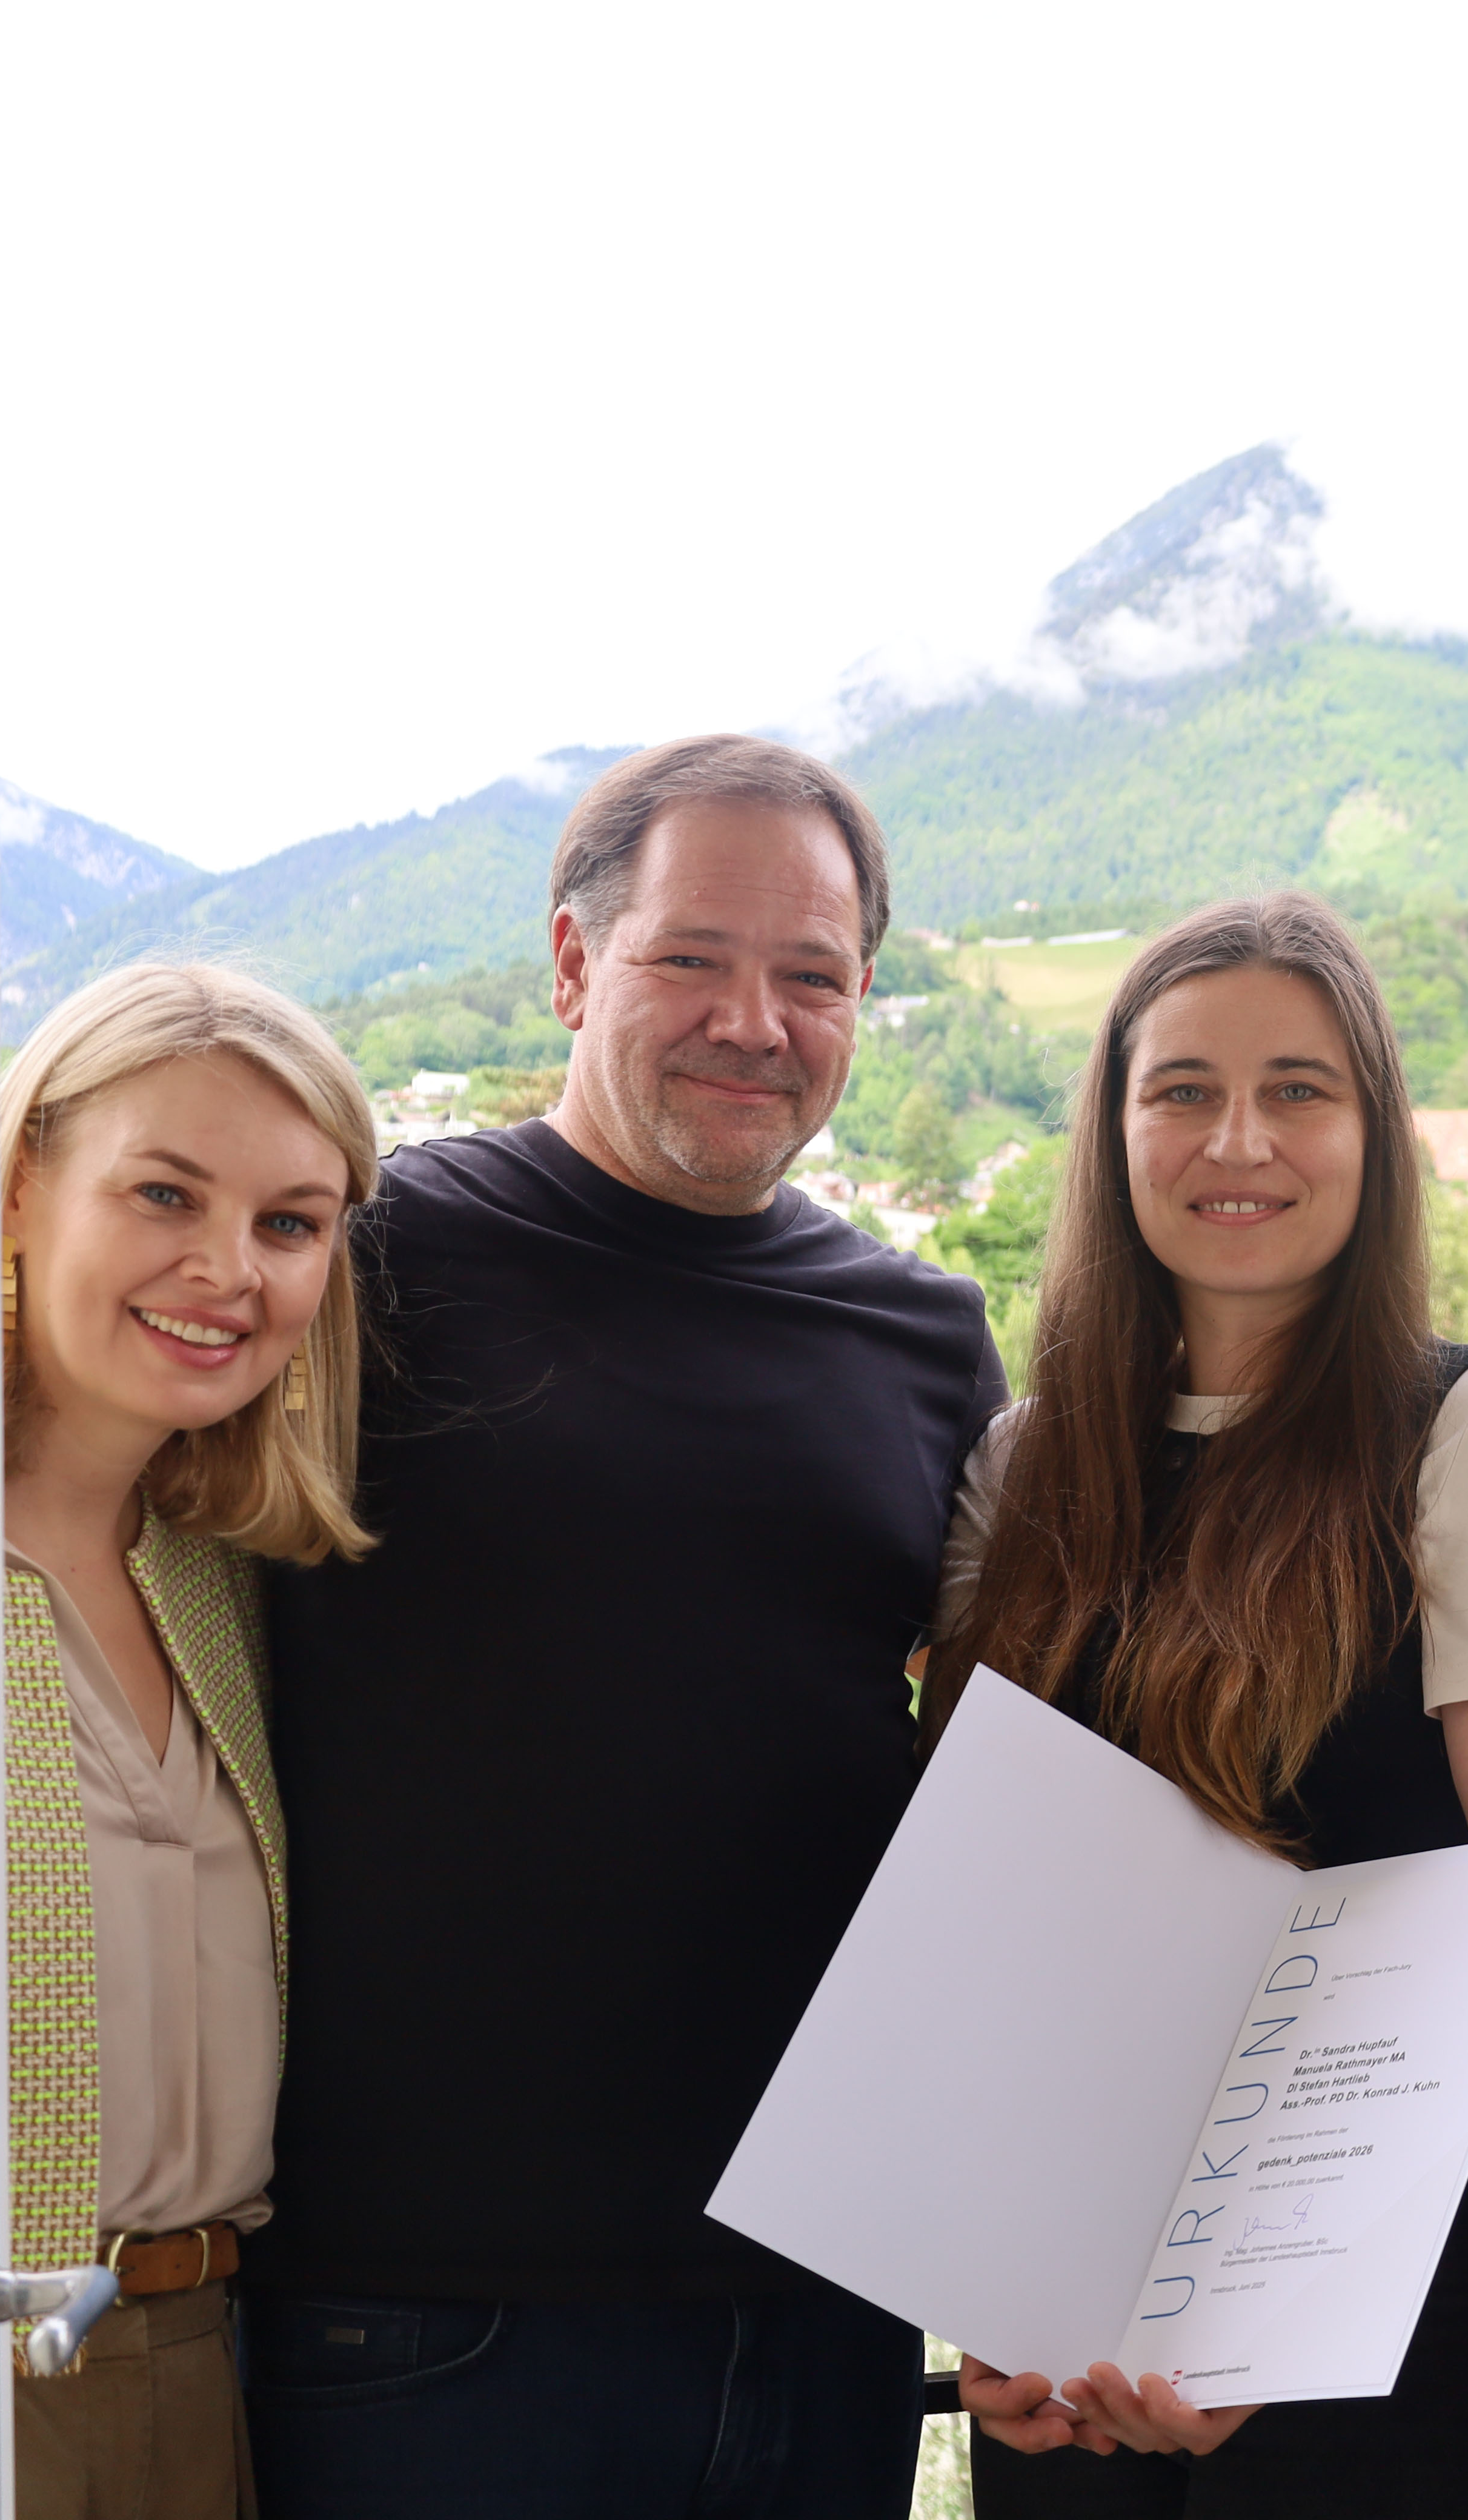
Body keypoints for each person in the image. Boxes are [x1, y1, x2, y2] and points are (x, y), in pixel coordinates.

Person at [239, 737, 1003, 2516]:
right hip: (432, 2311)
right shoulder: (368, 1261)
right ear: (576, 966)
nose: (756, 1017)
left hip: (824, 2297)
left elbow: (997, 1776)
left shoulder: (927, 1338)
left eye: (813, 974)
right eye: (692, 958)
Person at [935, 893, 1468, 2519]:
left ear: (1376, 1133)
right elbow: (988, 1921)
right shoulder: (1027, 1460)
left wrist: (1258, 2293)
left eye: (1300, 1089)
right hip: (1078, 2309)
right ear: (1115, 1131)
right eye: (1180, 1088)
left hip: (1402, 2315)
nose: (1236, 1138)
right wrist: (1000, 2274)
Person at [0, 965, 372, 2515]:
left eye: (290, 1223)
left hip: (198, 2370)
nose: (227, 1269)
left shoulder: (225, 1573)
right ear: (23, 1180)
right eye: (165, 1191)